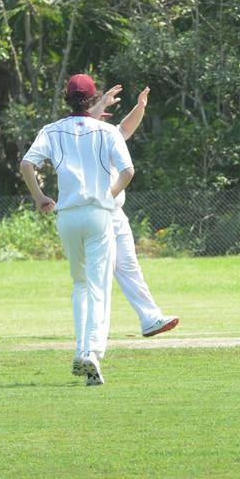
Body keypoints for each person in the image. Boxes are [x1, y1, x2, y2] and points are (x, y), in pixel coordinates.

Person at [20, 73, 134, 386]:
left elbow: (27, 164)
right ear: (94, 97)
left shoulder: (52, 130)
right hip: (98, 215)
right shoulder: (106, 130)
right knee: (99, 285)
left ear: (67, 99)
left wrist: (40, 197)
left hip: (67, 216)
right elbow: (128, 171)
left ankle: (84, 349)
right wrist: (107, 197)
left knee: (80, 284)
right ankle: (90, 351)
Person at [88, 85, 179, 339]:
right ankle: (92, 332)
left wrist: (140, 108)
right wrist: (103, 103)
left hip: (115, 213)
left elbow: (125, 129)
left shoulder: (109, 135)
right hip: (95, 214)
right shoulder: (81, 136)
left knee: (129, 268)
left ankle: (150, 318)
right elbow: (86, 122)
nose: (105, 119)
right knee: (97, 276)